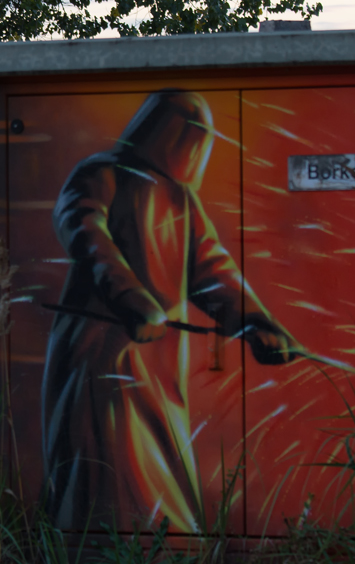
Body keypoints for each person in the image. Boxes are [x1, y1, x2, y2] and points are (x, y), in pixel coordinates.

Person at [41, 90, 297, 532]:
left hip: (158, 372)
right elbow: (86, 232)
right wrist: (131, 299)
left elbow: (215, 274)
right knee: (107, 475)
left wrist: (257, 324)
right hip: (100, 360)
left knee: (160, 477)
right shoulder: (102, 174)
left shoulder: (183, 203)